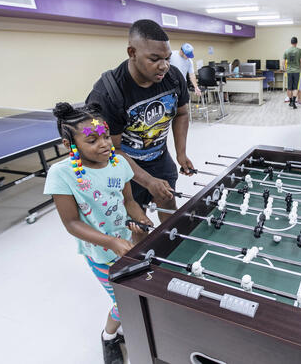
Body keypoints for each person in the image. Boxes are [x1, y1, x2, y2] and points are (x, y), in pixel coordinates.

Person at [44, 102, 154, 364]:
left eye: (105, 136)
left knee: (140, 290)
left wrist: (142, 219)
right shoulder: (62, 174)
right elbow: (71, 223)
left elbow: (128, 201)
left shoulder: (118, 163)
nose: (104, 144)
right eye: (92, 140)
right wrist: (111, 241)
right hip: (100, 253)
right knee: (122, 302)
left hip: (129, 243)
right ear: (68, 143)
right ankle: (108, 336)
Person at [86, 19, 195, 223]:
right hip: (125, 167)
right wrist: (147, 180)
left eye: (167, 58)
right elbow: (111, 150)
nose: (163, 66)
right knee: (137, 224)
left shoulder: (173, 77)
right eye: (154, 59)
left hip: (160, 158)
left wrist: (181, 154)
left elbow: (181, 113)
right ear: (132, 53)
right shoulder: (108, 93)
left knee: (169, 205)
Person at [283, 36, 301, 109]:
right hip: (296, 71)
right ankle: (294, 102)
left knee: (289, 88)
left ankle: (290, 101)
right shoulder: (299, 50)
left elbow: (283, 62)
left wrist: (285, 69)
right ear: (296, 42)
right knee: (295, 87)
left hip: (289, 71)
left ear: (291, 42)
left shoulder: (286, 51)